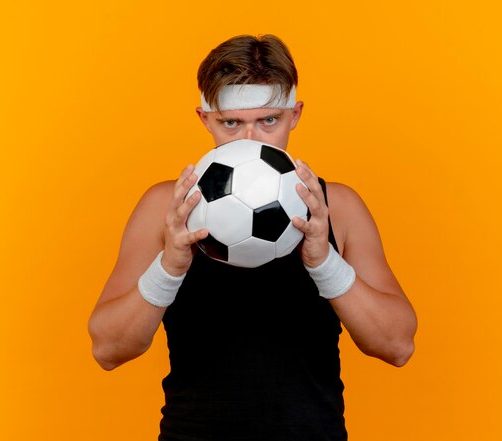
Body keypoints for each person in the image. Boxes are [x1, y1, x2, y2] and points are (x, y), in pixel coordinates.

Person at [88, 34, 418, 441]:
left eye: (268, 121)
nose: (250, 141)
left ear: (294, 115)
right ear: (204, 119)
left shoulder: (338, 208)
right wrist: (169, 266)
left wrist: (323, 262)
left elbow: (398, 345)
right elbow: (107, 350)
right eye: (231, 123)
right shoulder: (166, 208)